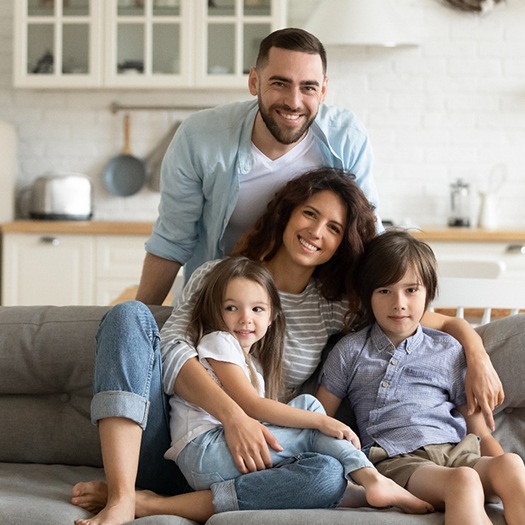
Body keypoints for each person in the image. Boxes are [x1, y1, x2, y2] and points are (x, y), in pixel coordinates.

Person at [72, 168, 502, 525]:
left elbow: (422, 315)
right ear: (285, 214)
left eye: (333, 227)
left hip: (256, 464)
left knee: (328, 477)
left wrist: (476, 352)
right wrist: (234, 416)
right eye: (309, 214)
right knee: (130, 315)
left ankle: (157, 505)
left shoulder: (335, 307)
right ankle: (124, 495)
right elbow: (171, 353)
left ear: (342, 242)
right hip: (176, 443)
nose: (316, 232)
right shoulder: (220, 276)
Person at [164, 255, 433, 515]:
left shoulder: (254, 366)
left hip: (225, 451)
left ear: (271, 317)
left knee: (310, 408)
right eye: (231, 308)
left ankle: (344, 491)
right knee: (312, 427)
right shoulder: (218, 342)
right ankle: (372, 479)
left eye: (257, 309)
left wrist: (316, 419)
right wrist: (322, 423)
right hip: (203, 450)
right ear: (215, 311)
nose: (245, 318)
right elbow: (252, 406)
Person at [135, 27, 381, 305]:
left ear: (323, 90)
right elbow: (172, 241)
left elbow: (368, 236)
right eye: (280, 83)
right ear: (254, 81)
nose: (294, 101)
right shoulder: (200, 137)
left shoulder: (346, 136)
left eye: (308, 87)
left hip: (313, 307)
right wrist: (140, 321)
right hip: (221, 304)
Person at [317, 230, 525, 524]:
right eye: (385, 291)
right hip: (400, 462)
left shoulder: (448, 349)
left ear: (428, 293)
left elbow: (479, 430)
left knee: (512, 465)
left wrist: (498, 463)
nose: (399, 302)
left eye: (411, 290)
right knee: (463, 481)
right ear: (368, 296)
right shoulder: (351, 351)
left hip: (458, 454)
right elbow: (319, 417)